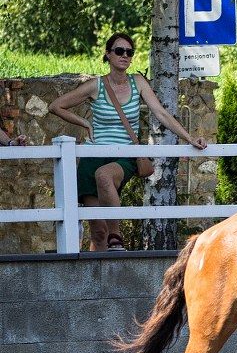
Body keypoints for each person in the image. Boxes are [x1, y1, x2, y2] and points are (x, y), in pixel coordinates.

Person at [48, 32, 208, 251]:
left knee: (104, 176)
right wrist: (84, 122)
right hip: (92, 157)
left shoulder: (138, 82)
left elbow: (161, 113)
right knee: (98, 231)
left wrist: (189, 138)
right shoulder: (95, 85)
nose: (125, 55)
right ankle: (101, 269)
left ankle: (116, 237)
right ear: (108, 54)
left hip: (123, 155)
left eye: (129, 52)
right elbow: (55, 106)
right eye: (119, 51)